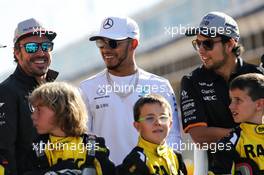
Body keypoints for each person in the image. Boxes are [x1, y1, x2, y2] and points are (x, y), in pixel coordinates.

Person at [79, 16, 181, 165]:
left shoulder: (160, 85)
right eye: (101, 43)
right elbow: (82, 140)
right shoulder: (86, 89)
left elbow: (173, 138)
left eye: (113, 43)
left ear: (133, 43)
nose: (106, 49)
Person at [180, 11, 263, 174]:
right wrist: (248, 137)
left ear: (230, 44)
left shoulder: (258, 75)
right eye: (198, 43)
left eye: (208, 44)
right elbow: (200, 136)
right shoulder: (192, 81)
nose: (201, 50)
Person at [0, 18, 58, 175]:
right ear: (17, 53)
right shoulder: (6, 92)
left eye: (46, 46)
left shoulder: (56, 90)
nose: (40, 52)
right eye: (31, 47)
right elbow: (3, 156)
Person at [24, 82, 116, 175]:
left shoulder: (93, 145)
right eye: (34, 110)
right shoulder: (36, 149)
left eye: (38, 110)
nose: (33, 116)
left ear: (60, 110)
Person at [118, 94, 187, 175]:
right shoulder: (135, 161)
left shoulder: (176, 156)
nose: (158, 122)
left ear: (170, 124)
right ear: (137, 126)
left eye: (163, 118)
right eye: (150, 118)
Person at [215, 73, 264, 174]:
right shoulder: (230, 142)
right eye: (231, 100)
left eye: (238, 100)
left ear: (259, 104)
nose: (231, 106)